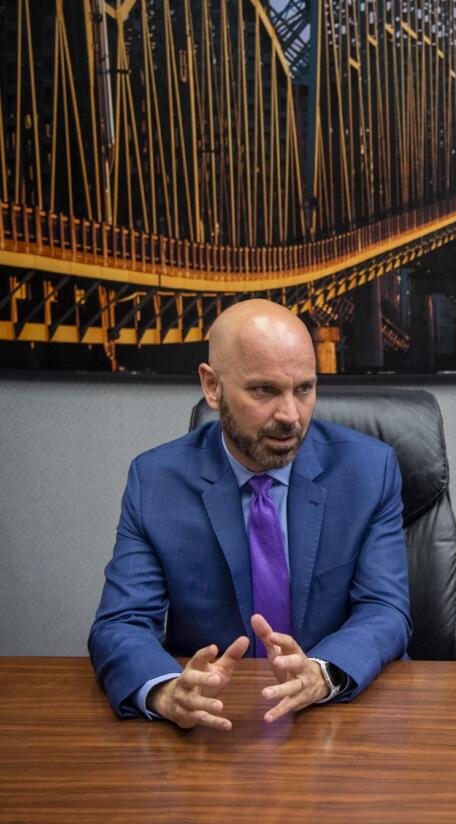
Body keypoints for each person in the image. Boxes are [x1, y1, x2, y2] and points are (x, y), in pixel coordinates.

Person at [89, 299, 411, 729]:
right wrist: (165, 690)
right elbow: (121, 622)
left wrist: (322, 672)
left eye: (304, 389)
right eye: (264, 390)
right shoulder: (156, 481)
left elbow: (385, 609)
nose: (290, 416)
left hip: (340, 715)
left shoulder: (368, 471)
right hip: (219, 720)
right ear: (212, 386)